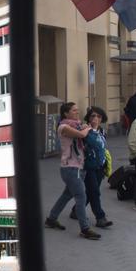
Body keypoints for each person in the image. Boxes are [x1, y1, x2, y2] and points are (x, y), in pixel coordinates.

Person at [44, 102, 102, 240]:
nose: (77, 112)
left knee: (66, 195)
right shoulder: (63, 127)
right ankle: (85, 228)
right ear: (66, 113)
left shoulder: (77, 124)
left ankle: (51, 219)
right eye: (74, 110)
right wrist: (88, 128)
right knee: (81, 196)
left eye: (77, 110)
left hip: (78, 166)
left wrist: (86, 127)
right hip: (70, 167)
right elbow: (81, 135)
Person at [73, 107, 113, 229]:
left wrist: (106, 163)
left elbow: (103, 148)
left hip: (100, 166)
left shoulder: (102, 131)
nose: (96, 119)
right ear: (89, 117)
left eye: (99, 116)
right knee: (94, 191)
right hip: (88, 166)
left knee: (90, 192)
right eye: (93, 116)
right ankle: (100, 218)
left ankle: (76, 210)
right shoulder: (85, 130)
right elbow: (77, 144)